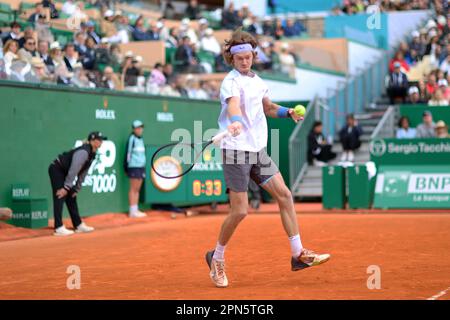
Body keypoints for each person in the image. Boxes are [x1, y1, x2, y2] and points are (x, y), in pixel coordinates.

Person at [205, 29, 330, 288]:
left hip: (257, 150)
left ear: (253, 56)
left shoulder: (258, 81)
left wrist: (287, 113)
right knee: (240, 211)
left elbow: (268, 107)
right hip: (236, 150)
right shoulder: (230, 82)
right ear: (232, 58)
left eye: (248, 56)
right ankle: (216, 257)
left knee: (284, 194)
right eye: (239, 58)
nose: (244, 61)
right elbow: (234, 106)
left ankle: (298, 255)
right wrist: (236, 122)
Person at [48, 132, 105, 236]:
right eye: (99, 139)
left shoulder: (92, 153)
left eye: (102, 139)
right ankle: (58, 227)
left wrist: (76, 188)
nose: (101, 141)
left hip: (65, 171)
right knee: (60, 195)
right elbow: (74, 170)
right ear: (92, 141)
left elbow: (84, 172)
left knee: (71, 196)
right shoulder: (84, 152)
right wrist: (66, 187)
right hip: (57, 169)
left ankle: (78, 224)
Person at [124, 120, 147, 218]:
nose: (140, 129)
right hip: (133, 166)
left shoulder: (141, 139)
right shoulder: (132, 139)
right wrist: (126, 167)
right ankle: (132, 211)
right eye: (138, 128)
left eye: (141, 127)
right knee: (133, 189)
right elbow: (128, 154)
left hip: (141, 166)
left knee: (137, 189)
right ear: (134, 129)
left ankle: (135, 209)